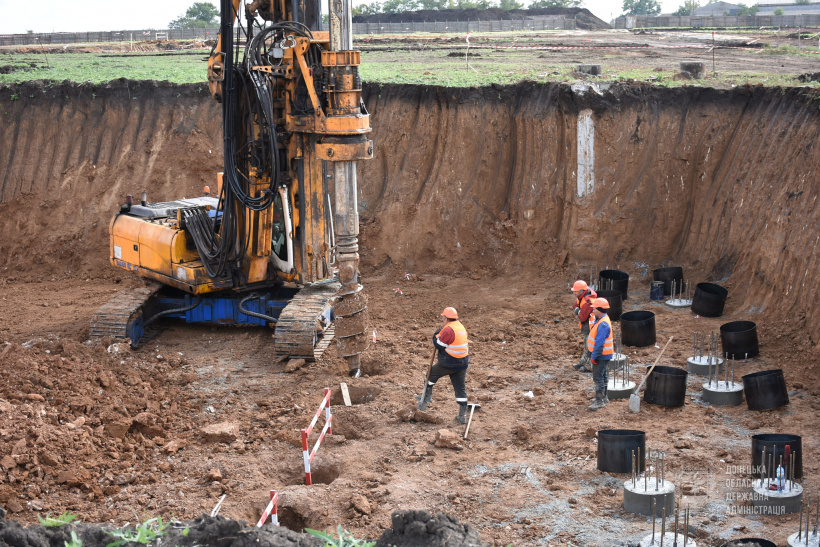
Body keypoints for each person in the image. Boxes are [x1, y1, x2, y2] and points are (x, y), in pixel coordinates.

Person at [417, 307, 470, 424]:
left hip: (450, 363)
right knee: (460, 388)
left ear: (445, 318)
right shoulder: (460, 326)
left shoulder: (448, 330)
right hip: (462, 363)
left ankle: (426, 398)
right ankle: (462, 416)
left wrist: (435, 335)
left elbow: (439, 345)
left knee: (430, 375)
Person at [586, 297, 613, 411]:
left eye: (594, 309)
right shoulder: (602, 319)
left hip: (601, 355)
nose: (593, 311)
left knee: (598, 378)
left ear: (599, 309)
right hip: (604, 355)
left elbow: (599, 343)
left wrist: (594, 356)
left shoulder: (603, 324)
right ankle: (604, 397)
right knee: (603, 376)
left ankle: (599, 401)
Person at [571, 280, 597, 372]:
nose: (573, 293)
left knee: (590, 345)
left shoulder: (588, 301)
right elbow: (575, 306)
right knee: (586, 345)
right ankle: (584, 361)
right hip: (587, 324)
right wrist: (578, 310)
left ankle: (590, 366)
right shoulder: (581, 296)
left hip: (591, 325)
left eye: (575, 291)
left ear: (582, 291)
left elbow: (582, 317)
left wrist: (578, 311)